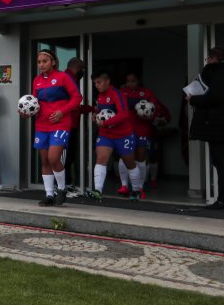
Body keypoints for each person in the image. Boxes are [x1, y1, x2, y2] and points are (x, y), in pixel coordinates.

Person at [187, 47, 224, 209]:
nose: (207, 62)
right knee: (222, 161)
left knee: (222, 162)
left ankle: (223, 200)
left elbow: (215, 97)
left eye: (208, 59)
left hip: (220, 126)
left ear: (214, 59)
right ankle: (223, 198)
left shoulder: (220, 74)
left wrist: (193, 100)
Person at [29, 50, 82, 206]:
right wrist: (26, 112)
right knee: (45, 160)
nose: (41, 64)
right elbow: (33, 103)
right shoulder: (37, 80)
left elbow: (77, 97)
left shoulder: (63, 77)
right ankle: (49, 195)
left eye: (45, 61)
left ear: (53, 62)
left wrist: (62, 112)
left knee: (53, 158)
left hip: (60, 123)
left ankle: (61, 188)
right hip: (41, 125)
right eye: (39, 62)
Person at [87, 70, 140, 201]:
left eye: (99, 82)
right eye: (95, 83)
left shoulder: (117, 94)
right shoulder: (100, 95)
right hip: (106, 134)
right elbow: (100, 110)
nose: (97, 85)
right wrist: (95, 115)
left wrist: (105, 122)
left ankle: (136, 190)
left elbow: (124, 114)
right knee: (101, 158)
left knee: (130, 163)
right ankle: (97, 190)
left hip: (123, 135)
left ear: (107, 81)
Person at [119, 72, 170, 197]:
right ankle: (124, 185)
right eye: (128, 81)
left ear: (138, 81)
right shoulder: (122, 92)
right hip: (126, 130)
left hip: (142, 130)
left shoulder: (146, 93)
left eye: (133, 80)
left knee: (141, 157)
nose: (131, 83)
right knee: (124, 156)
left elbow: (155, 109)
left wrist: (149, 116)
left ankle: (140, 186)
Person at [63, 57, 94, 187]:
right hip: (66, 125)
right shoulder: (67, 79)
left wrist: (92, 108)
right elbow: (72, 106)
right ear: (76, 67)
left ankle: (67, 184)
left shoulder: (72, 79)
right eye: (82, 69)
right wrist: (91, 108)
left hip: (72, 124)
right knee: (66, 157)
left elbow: (76, 107)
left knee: (69, 156)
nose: (83, 72)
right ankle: (64, 185)